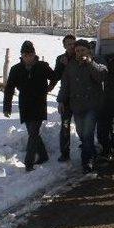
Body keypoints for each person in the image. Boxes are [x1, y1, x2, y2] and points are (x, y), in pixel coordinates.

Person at [57, 39, 108, 174]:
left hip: (92, 105)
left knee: (87, 133)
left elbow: (102, 76)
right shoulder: (71, 65)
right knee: (82, 134)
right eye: (78, 51)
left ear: (89, 50)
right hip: (77, 105)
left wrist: (90, 63)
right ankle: (92, 153)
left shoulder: (97, 61)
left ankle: (87, 161)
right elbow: (65, 85)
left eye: (83, 50)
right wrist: (61, 100)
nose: (80, 53)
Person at [3, 41, 55, 172]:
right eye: (25, 55)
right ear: (22, 55)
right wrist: (7, 107)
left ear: (34, 54)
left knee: (33, 133)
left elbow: (54, 76)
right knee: (33, 133)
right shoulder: (16, 69)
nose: (28, 57)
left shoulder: (42, 66)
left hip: (39, 103)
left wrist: (51, 86)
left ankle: (29, 162)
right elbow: (9, 88)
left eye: (30, 55)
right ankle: (43, 155)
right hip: (25, 104)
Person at [48, 34, 76, 162]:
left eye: (73, 43)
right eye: (68, 44)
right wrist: (49, 88)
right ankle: (65, 153)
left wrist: (68, 64)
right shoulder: (60, 59)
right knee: (65, 125)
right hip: (66, 97)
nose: (71, 46)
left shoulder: (80, 56)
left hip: (81, 97)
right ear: (64, 45)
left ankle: (87, 147)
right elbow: (56, 76)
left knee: (82, 126)